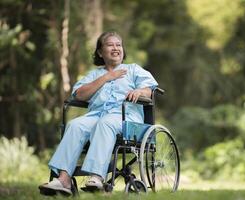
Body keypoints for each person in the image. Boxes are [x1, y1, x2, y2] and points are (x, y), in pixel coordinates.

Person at [39, 31, 158, 195]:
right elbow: (79, 94)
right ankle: (63, 180)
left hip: (126, 119)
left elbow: (150, 90)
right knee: (75, 125)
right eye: (110, 45)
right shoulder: (94, 75)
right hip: (96, 116)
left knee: (106, 122)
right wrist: (106, 77)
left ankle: (96, 177)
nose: (116, 48)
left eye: (118, 45)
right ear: (100, 52)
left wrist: (140, 91)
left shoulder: (133, 70)